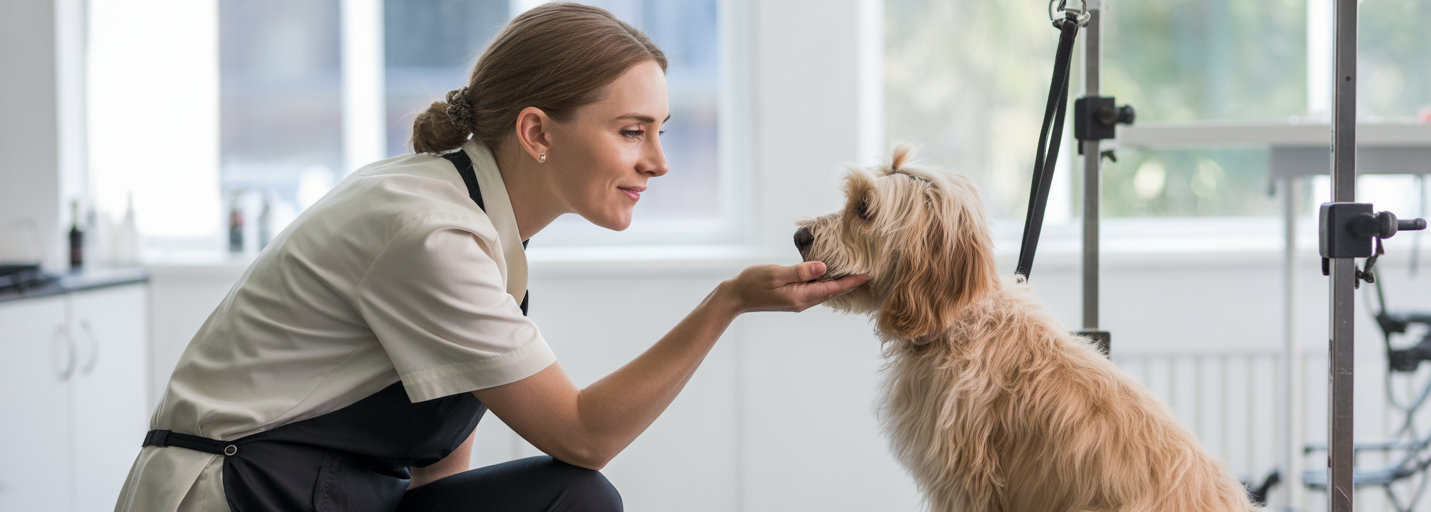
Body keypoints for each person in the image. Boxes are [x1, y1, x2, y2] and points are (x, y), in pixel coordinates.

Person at [114, 4, 868, 511]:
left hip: (335, 491)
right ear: (537, 133)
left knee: (569, 498)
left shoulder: (485, 226)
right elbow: (583, 434)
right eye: (633, 132)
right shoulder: (430, 233)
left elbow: (441, 453)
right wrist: (727, 302)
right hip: (240, 490)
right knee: (580, 491)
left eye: (662, 130)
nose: (659, 162)